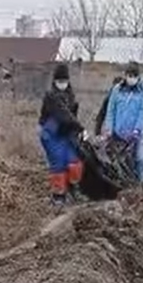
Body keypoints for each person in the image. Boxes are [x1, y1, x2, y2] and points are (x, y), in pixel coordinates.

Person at [38, 64, 85, 206]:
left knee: (74, 161)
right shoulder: (51, 97)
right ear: (54, 82)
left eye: (64, 81)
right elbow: (63, 115)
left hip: (66, 133)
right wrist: (81, 128)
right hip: (51, 134)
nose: (62, 84)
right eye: (59, 81)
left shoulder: (71, 96)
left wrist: (77, 132)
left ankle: (73, 188)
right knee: (58, 163)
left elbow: (72, 116)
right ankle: (58, 195)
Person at [102, 60, 143, 184]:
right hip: (119, 131)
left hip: (137, 132)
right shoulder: (117, 89)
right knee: (121, 159)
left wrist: (137, 130)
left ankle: (139, 182)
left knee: (140, 157)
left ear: (138, 76)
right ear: (125, 75)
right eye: (129, 76)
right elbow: (111, 109)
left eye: (134, 76)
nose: (131, 78)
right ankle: (125, 182)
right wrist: (109, 128)